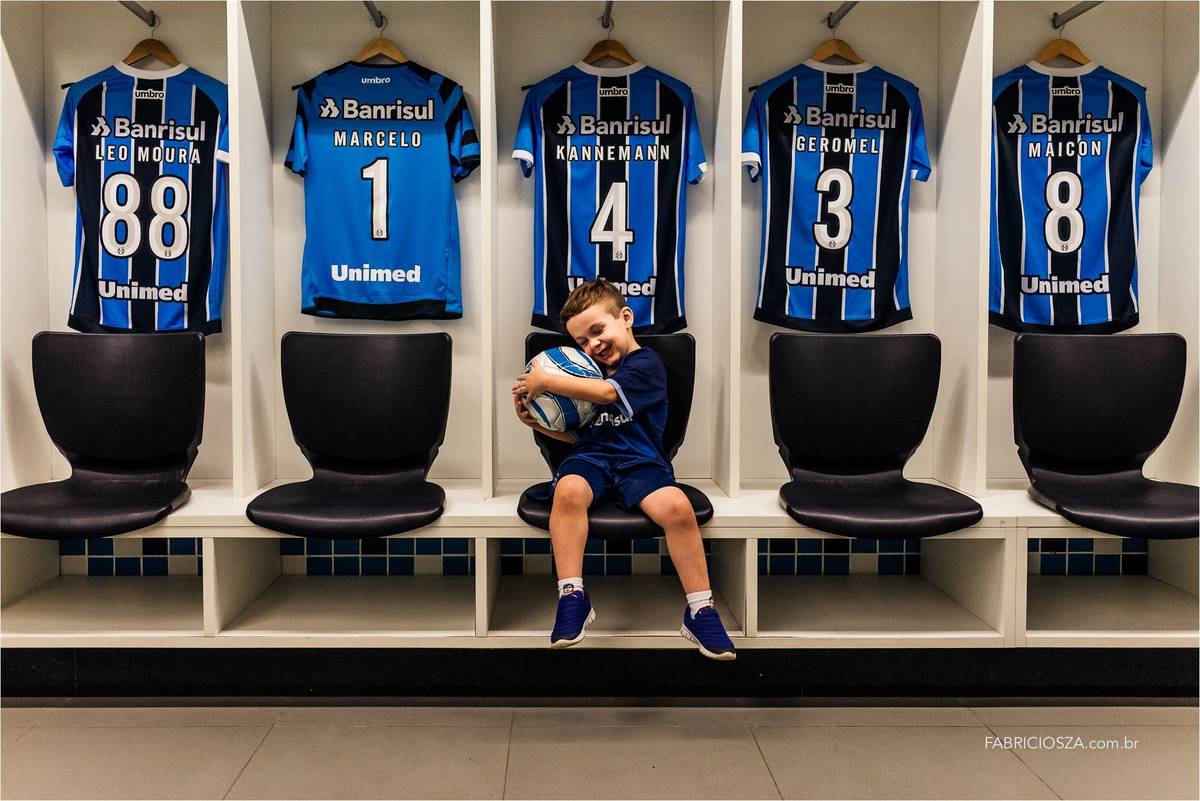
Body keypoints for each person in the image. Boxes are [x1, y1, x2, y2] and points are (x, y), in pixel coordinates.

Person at [512, 279, 736, 660]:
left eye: (597, 331)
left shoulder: (645, 363)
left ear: (626, 318)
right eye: (582, 342)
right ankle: (572, 596)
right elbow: (581, 436)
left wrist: (547, 380)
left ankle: (700, 609)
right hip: (592, 459)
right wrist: (538, 424)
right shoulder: (589, 373)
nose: (592, 345)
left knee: (677, 508)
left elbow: (608, 396)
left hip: (640, 460)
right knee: (568, 491)